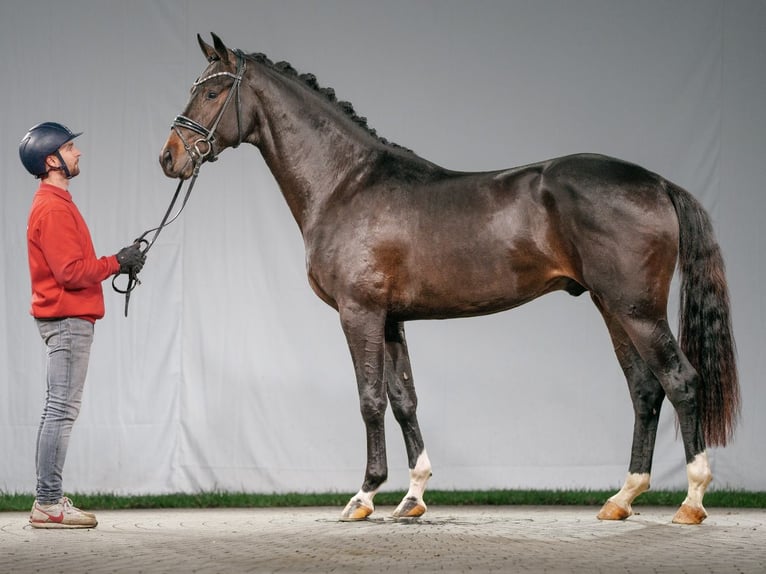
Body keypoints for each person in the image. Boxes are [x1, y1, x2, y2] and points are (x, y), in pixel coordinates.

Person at [19, 122, 146, 529]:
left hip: (68, 317)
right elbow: (71, 272)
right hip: (68, 318)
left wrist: (115, 262)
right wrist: (116, 262)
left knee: (58, 408)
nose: (79, 153)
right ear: (51, 160)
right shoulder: (53, 208)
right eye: (71, 148)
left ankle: (48, 499)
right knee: (60, 409)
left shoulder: (57, 202)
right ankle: (49, 503)